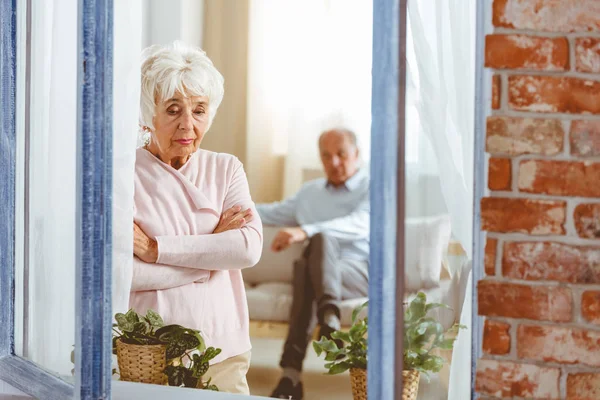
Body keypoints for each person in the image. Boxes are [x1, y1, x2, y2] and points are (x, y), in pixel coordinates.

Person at [129, 41, 262, 394]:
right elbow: (123, 273)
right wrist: (212, 253)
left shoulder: (226, 168)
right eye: (173, 110)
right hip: (147, 349)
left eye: (199, 110)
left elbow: (247, 249)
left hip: (222, 346)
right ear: (148, 114)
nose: (188, 124)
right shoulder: (124, 175)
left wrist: (156, 248)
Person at [257, 128, 370, 400]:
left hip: (358, 272)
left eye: (341, 154)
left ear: (357, 154)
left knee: (320, 241)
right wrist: (230, 205)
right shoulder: (309, 193)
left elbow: (361, 223)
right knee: (306, 268)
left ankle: (290, 376)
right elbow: (270, 212)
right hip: (320, 279)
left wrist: (306, 230)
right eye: (326, 156)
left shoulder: (373, 187)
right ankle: (327, 317)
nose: (334, 163)